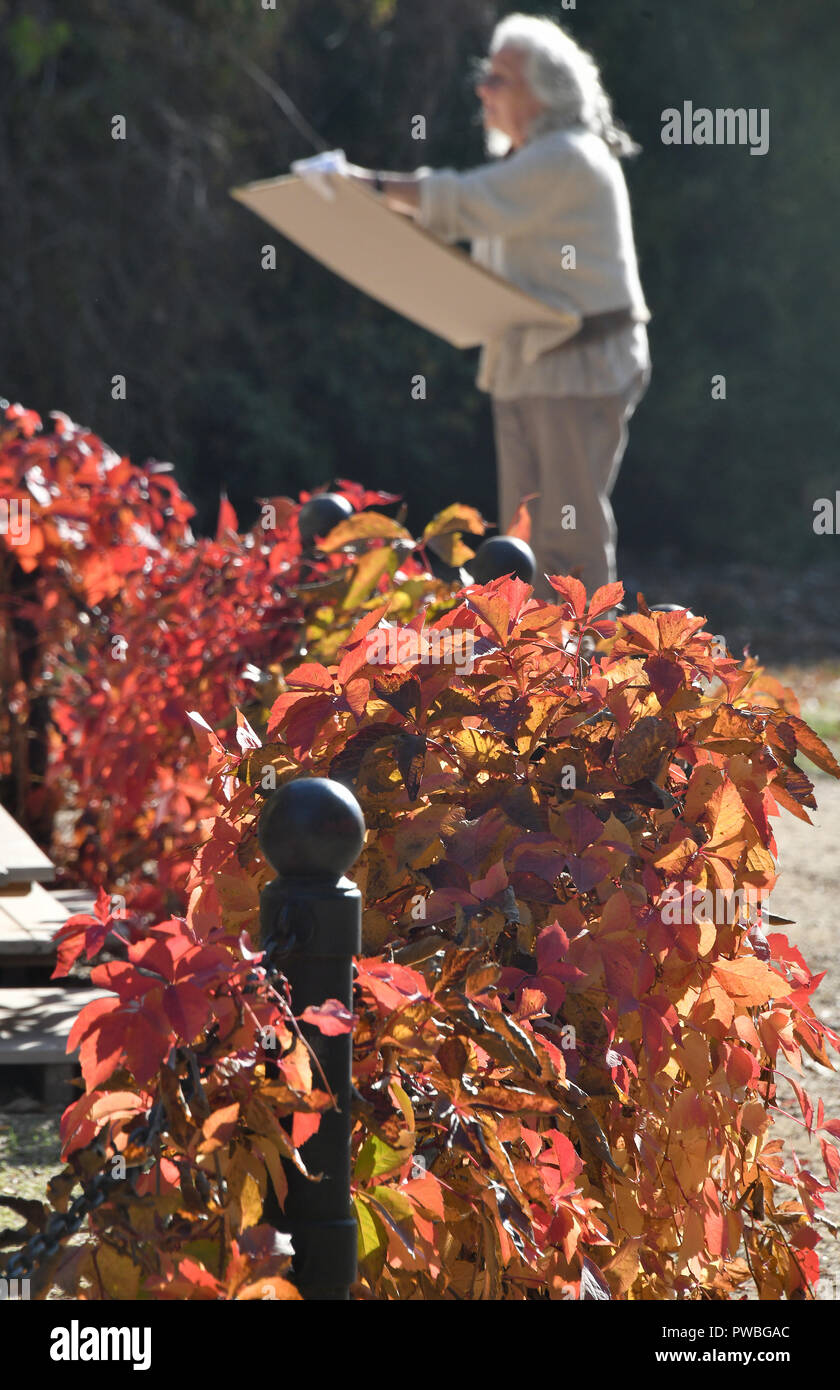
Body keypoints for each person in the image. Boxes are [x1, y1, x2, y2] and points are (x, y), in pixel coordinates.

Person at [338, 13, 650, 600]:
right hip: (531, 364)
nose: (483, 90)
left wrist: (368, 186)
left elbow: (468, 202)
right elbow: (473, 219)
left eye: (500, 79)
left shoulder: (567, 156)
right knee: (524, 537)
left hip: (578, 367)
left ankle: (594, 681)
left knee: (569, 532)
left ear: (545, 91)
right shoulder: (532, 159)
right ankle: (534, 679)